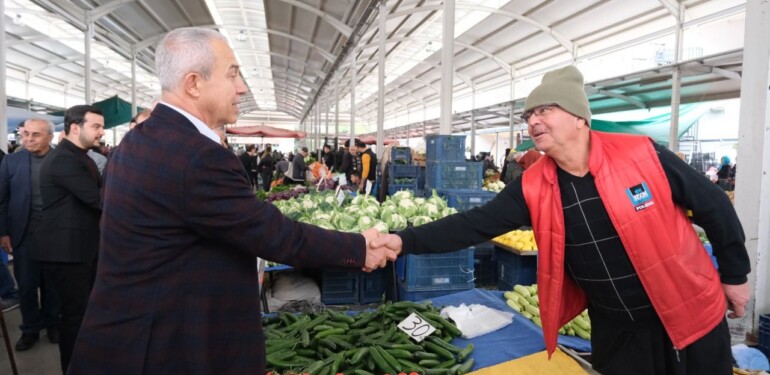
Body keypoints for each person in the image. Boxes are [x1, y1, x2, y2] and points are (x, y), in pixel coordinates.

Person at [371, 65, 750, 375]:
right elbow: (474, 224)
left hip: (689, 314)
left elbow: (713, 204)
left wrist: (735, 275)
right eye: (528, 115)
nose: (532, 121)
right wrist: (403, 240)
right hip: (618, 331)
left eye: (543, 111)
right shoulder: (533, 185)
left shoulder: (642, 155)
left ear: (578, 117)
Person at [68, 27, 396, 374]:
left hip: (130, 338)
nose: (242, 88)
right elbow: (274, 234)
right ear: (194, 83)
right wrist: (359, 248)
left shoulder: (136, 142)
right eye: (232, 75)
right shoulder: (197, 155)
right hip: (164, 350)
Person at [32, 105, 104, 371]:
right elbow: (98, 199)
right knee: (75, 316)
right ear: (75, 128)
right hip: (67, 253)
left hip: (80, 249)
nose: (101, 132)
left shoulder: (79, 156)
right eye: (96, 126)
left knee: (82, 314)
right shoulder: (64, 159)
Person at [0, 118, 62, 351]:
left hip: (55, 234)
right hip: (24, 234)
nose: (28, 139)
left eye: (35, 134)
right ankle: (30, 329)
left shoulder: (62, 160)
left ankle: (53, 323)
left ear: (49, 137)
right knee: (26, 286)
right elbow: (2, 199)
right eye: (25, 134)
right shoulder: (11, 161)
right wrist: (3, 233)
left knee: (53, 285)